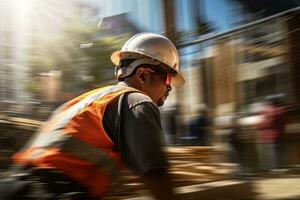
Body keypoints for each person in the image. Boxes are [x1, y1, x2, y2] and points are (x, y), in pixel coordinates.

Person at [1, 33, 185, 200]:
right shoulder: (138, 101)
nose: (170, 87)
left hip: (14, 186)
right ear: (143, 74)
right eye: (168, 78)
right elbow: (155, 174)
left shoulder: (87, 100)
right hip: (53, 192)